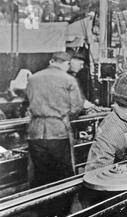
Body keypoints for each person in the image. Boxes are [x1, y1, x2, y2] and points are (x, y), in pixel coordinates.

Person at [26, 51, 86, 188]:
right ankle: (60, 207)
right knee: (61, 176)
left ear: (52, 62)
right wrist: (63, 113)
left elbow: (28, 101)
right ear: (66, 64)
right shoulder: (69, 80)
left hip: (35, 132)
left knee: (40, 175)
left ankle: (40, 206)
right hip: (58, 132)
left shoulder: (33, 78)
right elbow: (77, 107)